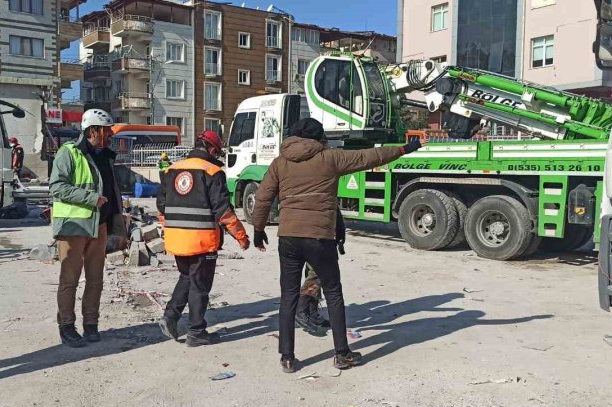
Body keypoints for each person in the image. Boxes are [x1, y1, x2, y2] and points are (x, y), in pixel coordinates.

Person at [250, 118, 427, 373]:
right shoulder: (330, 158)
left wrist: (258, 229)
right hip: (320, 236)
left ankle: (287, 357)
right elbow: (370, 156)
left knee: (288, 296)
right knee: (333, 292)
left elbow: (263, 196)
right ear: (318, 137)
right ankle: (342, 354)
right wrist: (404, 149)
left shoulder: (280, 162)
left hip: (288, 236)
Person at [157, 130, 250, 347]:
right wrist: (241, 237)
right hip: (202, 241)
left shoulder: (171, 170)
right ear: (211, 150)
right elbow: (223, 212)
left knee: (187, 277)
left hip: (176, 239)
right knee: (200, 285)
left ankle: (170, 317)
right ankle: (196, 331)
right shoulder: (212, 171)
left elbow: (161, 207)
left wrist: (171, 229)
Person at [49, 108, 127, 348]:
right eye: (106, 131)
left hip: (99, 225)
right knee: (70, 279)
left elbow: (112, 191)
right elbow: (57, 187)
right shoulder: (68, 153)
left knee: (96, 279)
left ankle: (91, 324)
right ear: (93, 131)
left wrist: (118, 222)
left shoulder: (106, 156)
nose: (110, 135)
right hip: (73, 226)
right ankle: (67, 326)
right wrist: (90, 197)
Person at [296, 209, 346, 334]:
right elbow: (334, 210)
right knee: (317, 274)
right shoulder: (324, 190)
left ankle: (312, 313)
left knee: (312, 271)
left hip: (301, 234)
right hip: (318, 235)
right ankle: (301, 308)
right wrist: (340, 233)